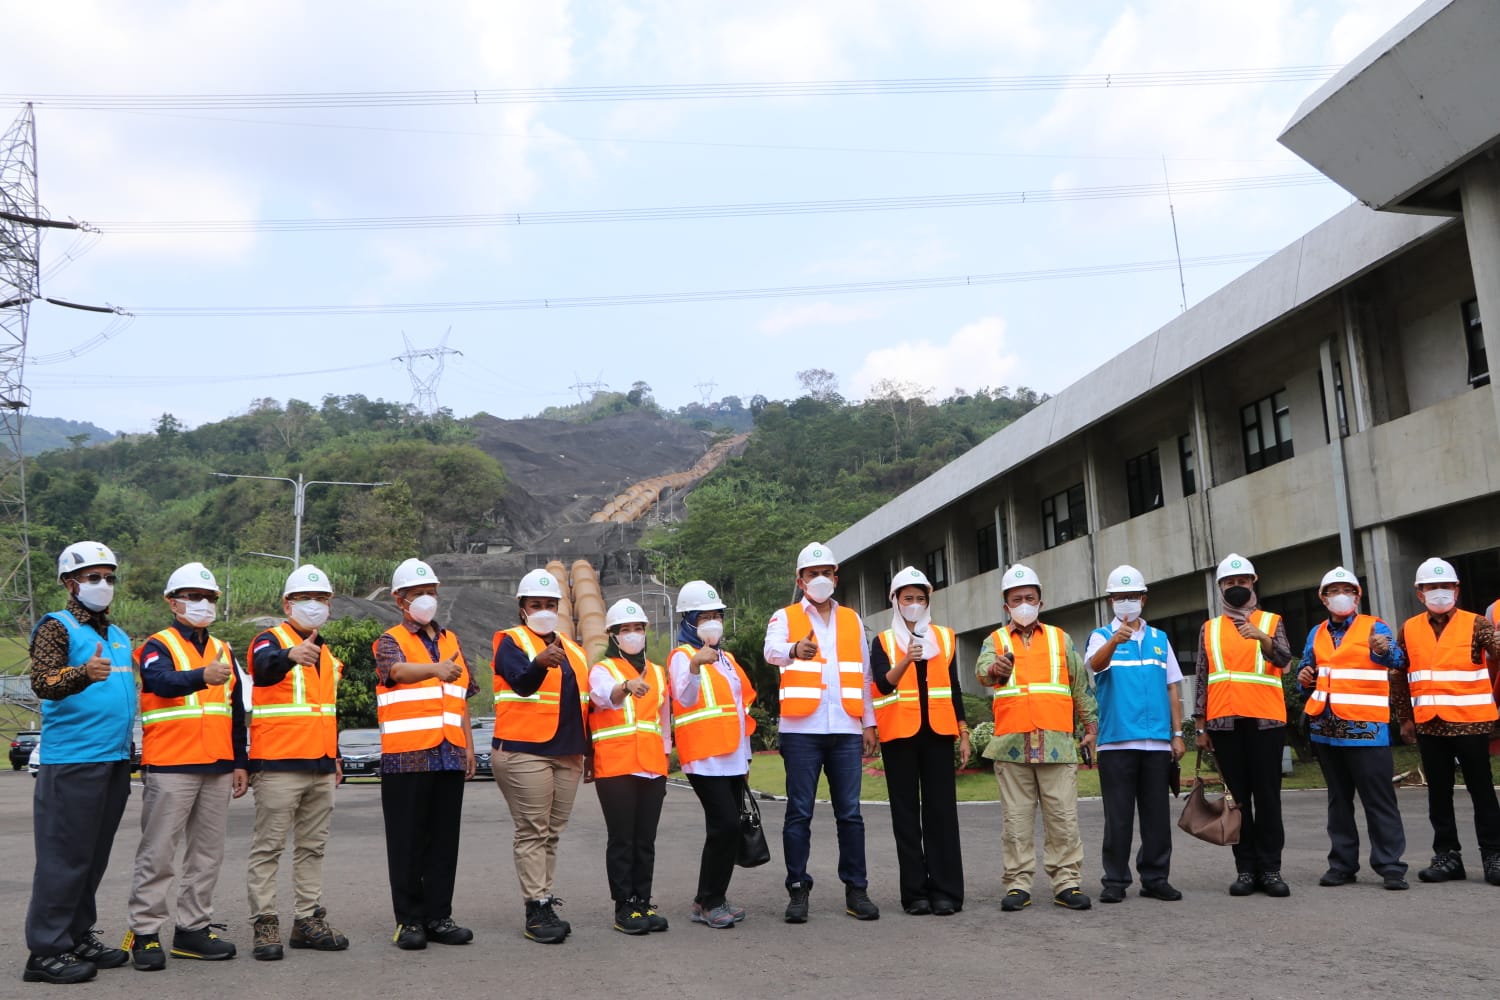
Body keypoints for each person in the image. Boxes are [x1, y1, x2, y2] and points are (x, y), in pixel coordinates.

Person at [23, 541, 136, 984]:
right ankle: (46, 950)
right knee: (64, 857)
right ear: (70, 583)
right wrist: (81, 674)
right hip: (73, 759)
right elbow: (42, 681)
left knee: (92, 857)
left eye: (109, 576)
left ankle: (75, 934)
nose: (103, 584)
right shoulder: (58, 627)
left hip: (113, 757)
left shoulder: (118, 634)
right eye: (93, 577)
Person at [125, 562, 248, 971]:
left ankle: (193, 930)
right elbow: (159, 681)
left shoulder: (223, 649)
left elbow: (235, 712)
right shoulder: (157, 645)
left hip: (217, 764)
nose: (203, 603)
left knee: (207, 854)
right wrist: (201, 676)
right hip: (171, 763)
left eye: (209, 597)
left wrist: (240, 762)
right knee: (159, 853)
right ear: (173, 602)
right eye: (194, 596)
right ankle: (145, 933)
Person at [763, 542, 881, 923]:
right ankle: (798, 889)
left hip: (845, 727)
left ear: (836, 577)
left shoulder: (851, 619)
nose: (820, 579)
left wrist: (868, 722)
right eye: (812, 574)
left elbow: (864, 673)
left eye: (826, 573)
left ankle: (857, 890)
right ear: (800, 580)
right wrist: (793, 650)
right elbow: (770, 652)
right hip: (802, 730)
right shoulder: (784, 617)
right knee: (799, 812)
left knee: (851, 814)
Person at [977, 563, 1097, 913]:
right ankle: (1018, 885)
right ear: (1006, 606)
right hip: (1011, 745)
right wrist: (995, 669)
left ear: (1040, 602)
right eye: (1017, 599)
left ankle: (1067, 883)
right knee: (1016, 822)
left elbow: (1079, 685)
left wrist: (1090, 727)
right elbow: (983, 672)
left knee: (1063, 818)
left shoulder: (1060, 638)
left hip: (1057, 742)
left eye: (1030, 597)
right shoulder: (994, 641)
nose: (1024, 604)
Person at [246, 564, 349, 960]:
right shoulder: (268, 641)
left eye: (321, 599)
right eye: (306, 598)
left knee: (312, 847)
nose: (315, 605)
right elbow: (263, 668)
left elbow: (326, 710)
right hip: (278, 763)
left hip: (320, 764)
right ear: (287, 604)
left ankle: (307, 920)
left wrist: (335, 757)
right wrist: (290, 654)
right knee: (268, 847)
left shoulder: (328, 655)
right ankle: (265, 922)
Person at [373, 558, 477, 950]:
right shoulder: (390, 639)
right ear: (399, 599)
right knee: (406, 842)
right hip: (407, 757)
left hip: (449, 754)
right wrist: (434, 669)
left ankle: (438, 917)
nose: (426, 599)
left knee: (444, 842)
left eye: (431, 592)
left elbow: (461, 697)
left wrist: (468, 746)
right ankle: (409, 921)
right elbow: (396, 672)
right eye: (418, 593)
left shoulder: (452, 640)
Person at [491, 567, 591, 944]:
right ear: (522, 608)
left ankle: (545, 900)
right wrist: (539, 663)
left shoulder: (575, 651)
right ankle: (535, 907)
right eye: (536, 605)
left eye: (550, 604)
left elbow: (585, 705)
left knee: (552, 832)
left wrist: (588, 752)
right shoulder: (511, 642)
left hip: (567, 753)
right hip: (524, 750)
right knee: (533, 829)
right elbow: (521, 684)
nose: (544, 611)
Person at [1296, 566, 1410, 890]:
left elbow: (1399, 660)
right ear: (1323, 599)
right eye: (1333, 591)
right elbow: (1308, 671)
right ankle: (1342, 865)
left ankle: (1391, 866)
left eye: (1347, 590)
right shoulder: (1316, 633)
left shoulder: (1375, 627)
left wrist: (1382, 649)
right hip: (1326, 730)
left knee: (1379, 799)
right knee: (1338, 801)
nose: (1340, 596)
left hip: (1367, 729)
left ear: (1358, 596)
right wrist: (1304, 677)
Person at [1391, 557, 1500, 885]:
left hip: (1472, 723)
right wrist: (1404, 718)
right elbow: (1400, 674)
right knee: (1438, 794)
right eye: (1432, 587)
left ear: (1457, 589)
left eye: (1446, 586)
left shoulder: (1477, 623)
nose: (1440, 591)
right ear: (1420, 593)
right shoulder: (1409, 628)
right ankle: (1447, 856)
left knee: (1482, 792)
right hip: (1430, 724)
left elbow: (1496, 652)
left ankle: (1494, 855)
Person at [1192, 553, 1294, 898]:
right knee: (1237, 801)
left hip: (1266, 722)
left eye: (1242, 581)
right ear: (1221, 586)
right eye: (1230, 583)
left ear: (1253, 583)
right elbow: (1203, 677)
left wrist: (1262, 637)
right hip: (1224, 723)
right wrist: (1200, 726)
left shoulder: (1271, 621)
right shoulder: (1210, 628)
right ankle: (1246, 870)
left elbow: (1285, 659)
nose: (1236, 587)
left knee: (1268, 799)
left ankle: (1271, 869)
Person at [870, 567, 968, 915]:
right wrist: (905, 660)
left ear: (928, 601)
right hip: (899, 736)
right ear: (895, 601)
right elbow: (882, 685)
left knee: (942, 813)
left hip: (938, 733)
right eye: (907, 598)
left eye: (920, 598)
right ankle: (914, 894)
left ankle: (946, 892)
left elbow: (954, 688)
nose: (914, 604)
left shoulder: (945, 637)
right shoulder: (883, 641)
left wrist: (963, 731)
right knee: (906, 816)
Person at [1084, 565, 1185, 904]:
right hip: (1116, 741)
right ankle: (1115, 880)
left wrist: (1177, 733)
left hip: (1156, 741)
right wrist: (1115, 641)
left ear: (1143, 598)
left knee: (1157, 817)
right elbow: (1095, 665)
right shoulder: (1100, 636)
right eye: (1119, 597)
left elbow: (1172, 687)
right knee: (1118, 817)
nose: (1126, 602)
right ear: (1110, 601)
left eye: (1132, 596)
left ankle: (1155, 878)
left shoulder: (1160, 639)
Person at [669, 581, 758, 929]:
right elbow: (684, 698)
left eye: (716, 616)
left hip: (732, 756)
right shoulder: (681, 657)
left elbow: (740, 711)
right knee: (725, 825)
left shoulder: (728, 660)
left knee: (725, 830)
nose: (712, 622)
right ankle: (710, 901)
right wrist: (695, 666)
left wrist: (746, 757)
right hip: (703, 756)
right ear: (689, 621)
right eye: (704, 617)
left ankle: (708, 899)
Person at [588, 599, 671, 935]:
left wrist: (666, 760)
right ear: (613, 635)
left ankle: (642, 901)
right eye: (626, 629)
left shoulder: (658, 672)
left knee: (645, 840)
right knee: (622, 839)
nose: (633, 634)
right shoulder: (603, 669)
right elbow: (602, 697)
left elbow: (663, 723)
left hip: (652, 766)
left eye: (638, 628)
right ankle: (624, 906)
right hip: (616, 766)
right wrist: (625, 686)